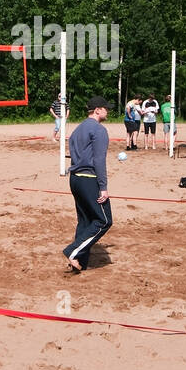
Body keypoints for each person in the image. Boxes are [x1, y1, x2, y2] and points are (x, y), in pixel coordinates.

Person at [62, 96, 113, 271]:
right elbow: (99, 160)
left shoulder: (78, 129)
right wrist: (103, 187)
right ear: (97, 110)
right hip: (89, 179)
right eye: (106, 108)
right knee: (104, 220)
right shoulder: (99, 130)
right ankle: (72, 252)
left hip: (75, 178)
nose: (108, 111)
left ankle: (79, 263)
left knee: (85, 220)